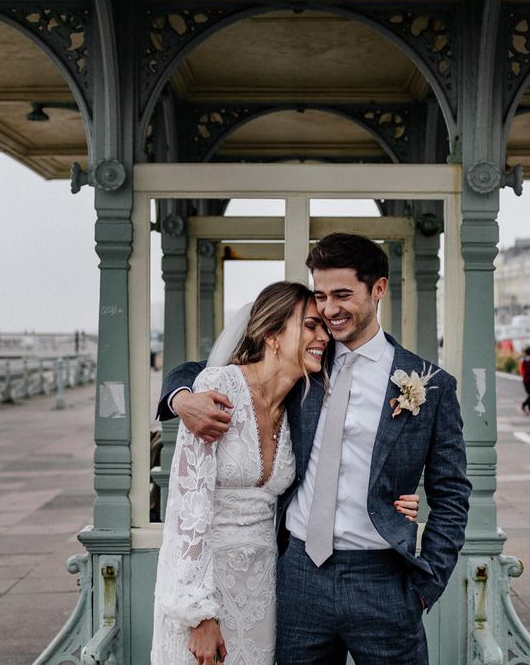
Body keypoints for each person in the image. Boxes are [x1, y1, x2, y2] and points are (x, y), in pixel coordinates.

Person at [163, 233, 471, 664]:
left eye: (343, 294)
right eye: (322, 296)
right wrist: (180, 396)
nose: (329, 310)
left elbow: (453, 495)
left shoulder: (430, 384)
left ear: (378, 288)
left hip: (382, 581)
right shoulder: (305, 360)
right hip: (298, 579)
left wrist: (426, 586)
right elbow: (205, 368)